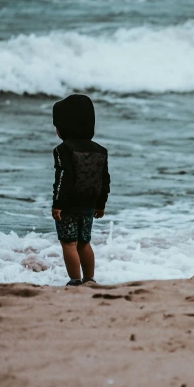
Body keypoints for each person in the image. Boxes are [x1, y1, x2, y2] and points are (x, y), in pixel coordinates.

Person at [51, 94, 110, 286]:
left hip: (69, 205)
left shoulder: (63, 150)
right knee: (84, 242)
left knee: (69, 243)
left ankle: (75, 281)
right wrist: (100, 204)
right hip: (89, 205)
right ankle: (90, 279)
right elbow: (104, 180)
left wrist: (58, 204)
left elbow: (63, 177)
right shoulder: (100, 150)